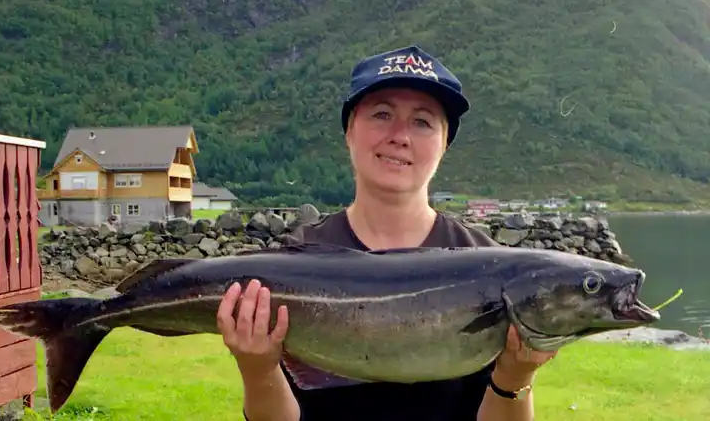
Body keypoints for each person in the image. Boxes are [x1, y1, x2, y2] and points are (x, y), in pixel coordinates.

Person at [216, 45, 557, 421]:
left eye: (422, 122)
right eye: (382, 114)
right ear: (349, 130)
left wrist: (515, 376)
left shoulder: (489, 264)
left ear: (444, 144)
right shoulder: (297, 261)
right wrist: (258, 369)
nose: (399, 135)